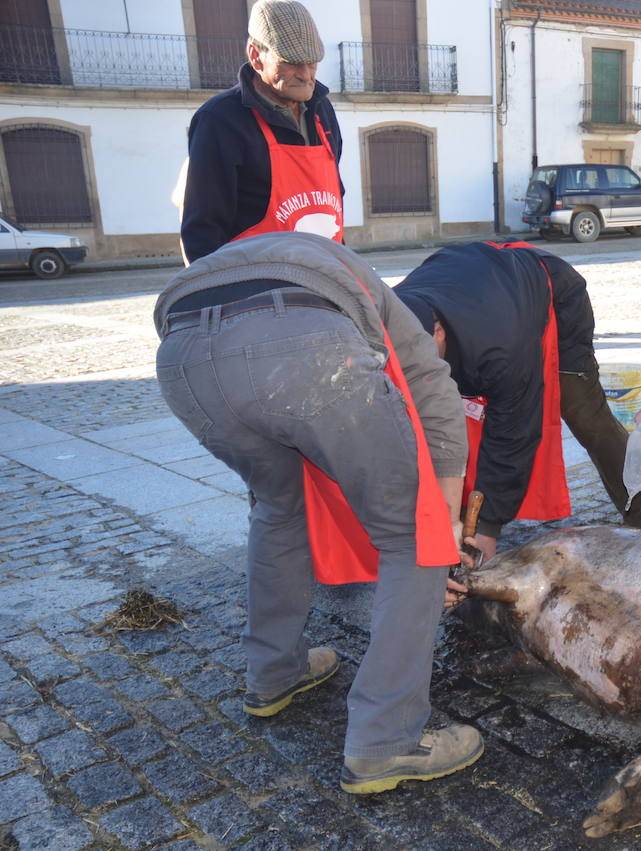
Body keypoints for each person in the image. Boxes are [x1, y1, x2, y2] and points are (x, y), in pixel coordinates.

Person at [154, 232, 483, 794]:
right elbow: (433, 389)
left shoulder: (287, 253)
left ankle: (272, 675)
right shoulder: (383, 297)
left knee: (279, 507)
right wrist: (445, 523)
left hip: (182, 354)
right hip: (301, 342)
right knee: (412, 537)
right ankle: (386, 742)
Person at [394, 241, 641, 563]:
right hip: (485, 283)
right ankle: (464, 519)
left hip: (552, 297)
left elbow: (513, 431)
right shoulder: (392, 315)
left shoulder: (499, 349)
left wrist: (488, 529)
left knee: (585, 414)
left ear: (438, 333)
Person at [181, 0, 344, 263]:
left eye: (312, 62)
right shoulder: (219, 120)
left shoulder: (321, 110)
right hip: (257, 288)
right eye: (291, 62)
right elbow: (203, 231)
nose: (306, 75)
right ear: (256, 56)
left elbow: (336, 198)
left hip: (325, 276)